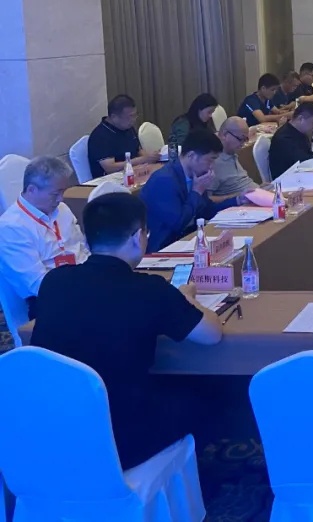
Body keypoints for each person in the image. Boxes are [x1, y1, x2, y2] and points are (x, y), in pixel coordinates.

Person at [31, 192, 223, 470]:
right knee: (212, 395)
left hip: (54, 424)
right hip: (120, 435)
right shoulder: (150, 289)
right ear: (137, 237)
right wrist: (188, 298)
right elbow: (211, 334)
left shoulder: (54, 281)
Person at [0, 156, 88, 317]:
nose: (60, 199)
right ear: (32, 190)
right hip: (50, 301)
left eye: (62, 192)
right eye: (55, 194)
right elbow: (37, 285)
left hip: (82, 284)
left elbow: (82, 249)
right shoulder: (12, 227)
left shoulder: (62, 210)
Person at [140, 129, 248, 253]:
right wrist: (196, 191)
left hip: (186, 239)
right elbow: (178, 223)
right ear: (191, 156)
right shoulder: (164, 180)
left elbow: (206, 211)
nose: (212, 166)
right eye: (210, 160)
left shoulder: (195, 176)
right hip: (163, 247)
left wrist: (237, 200)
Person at [87, 95, 157, 178]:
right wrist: (142, 160)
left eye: (135, 115)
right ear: (114, 117)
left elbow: (138, 150)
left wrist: (150, 157)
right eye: (130, 117)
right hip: (111, 179)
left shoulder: (127, 127)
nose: (134, 120)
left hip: (134, 173)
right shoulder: (100, 136)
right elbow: (110, 167)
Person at [211, 118, 259, 199]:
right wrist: (238, 197)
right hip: (243, 202)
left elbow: (240, 182)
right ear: (224, 135)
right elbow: (208, 200)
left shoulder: (231, 152)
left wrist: (258, 188)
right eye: (240, 139)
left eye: (246, 139)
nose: (243, 144)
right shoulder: (212, 161)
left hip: (255, 194)